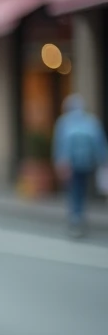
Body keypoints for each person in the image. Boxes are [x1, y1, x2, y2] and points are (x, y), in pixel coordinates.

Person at [52, 93, 108, 238]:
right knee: (82, 190)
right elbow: (99, 142)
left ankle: (76, 218)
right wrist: (103, 160)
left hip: (71, 164)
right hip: (88, 163)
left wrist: (60, 162)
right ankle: (79, 217)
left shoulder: (64, 121)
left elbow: (60, 144)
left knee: (74, 191)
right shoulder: (91, 121)